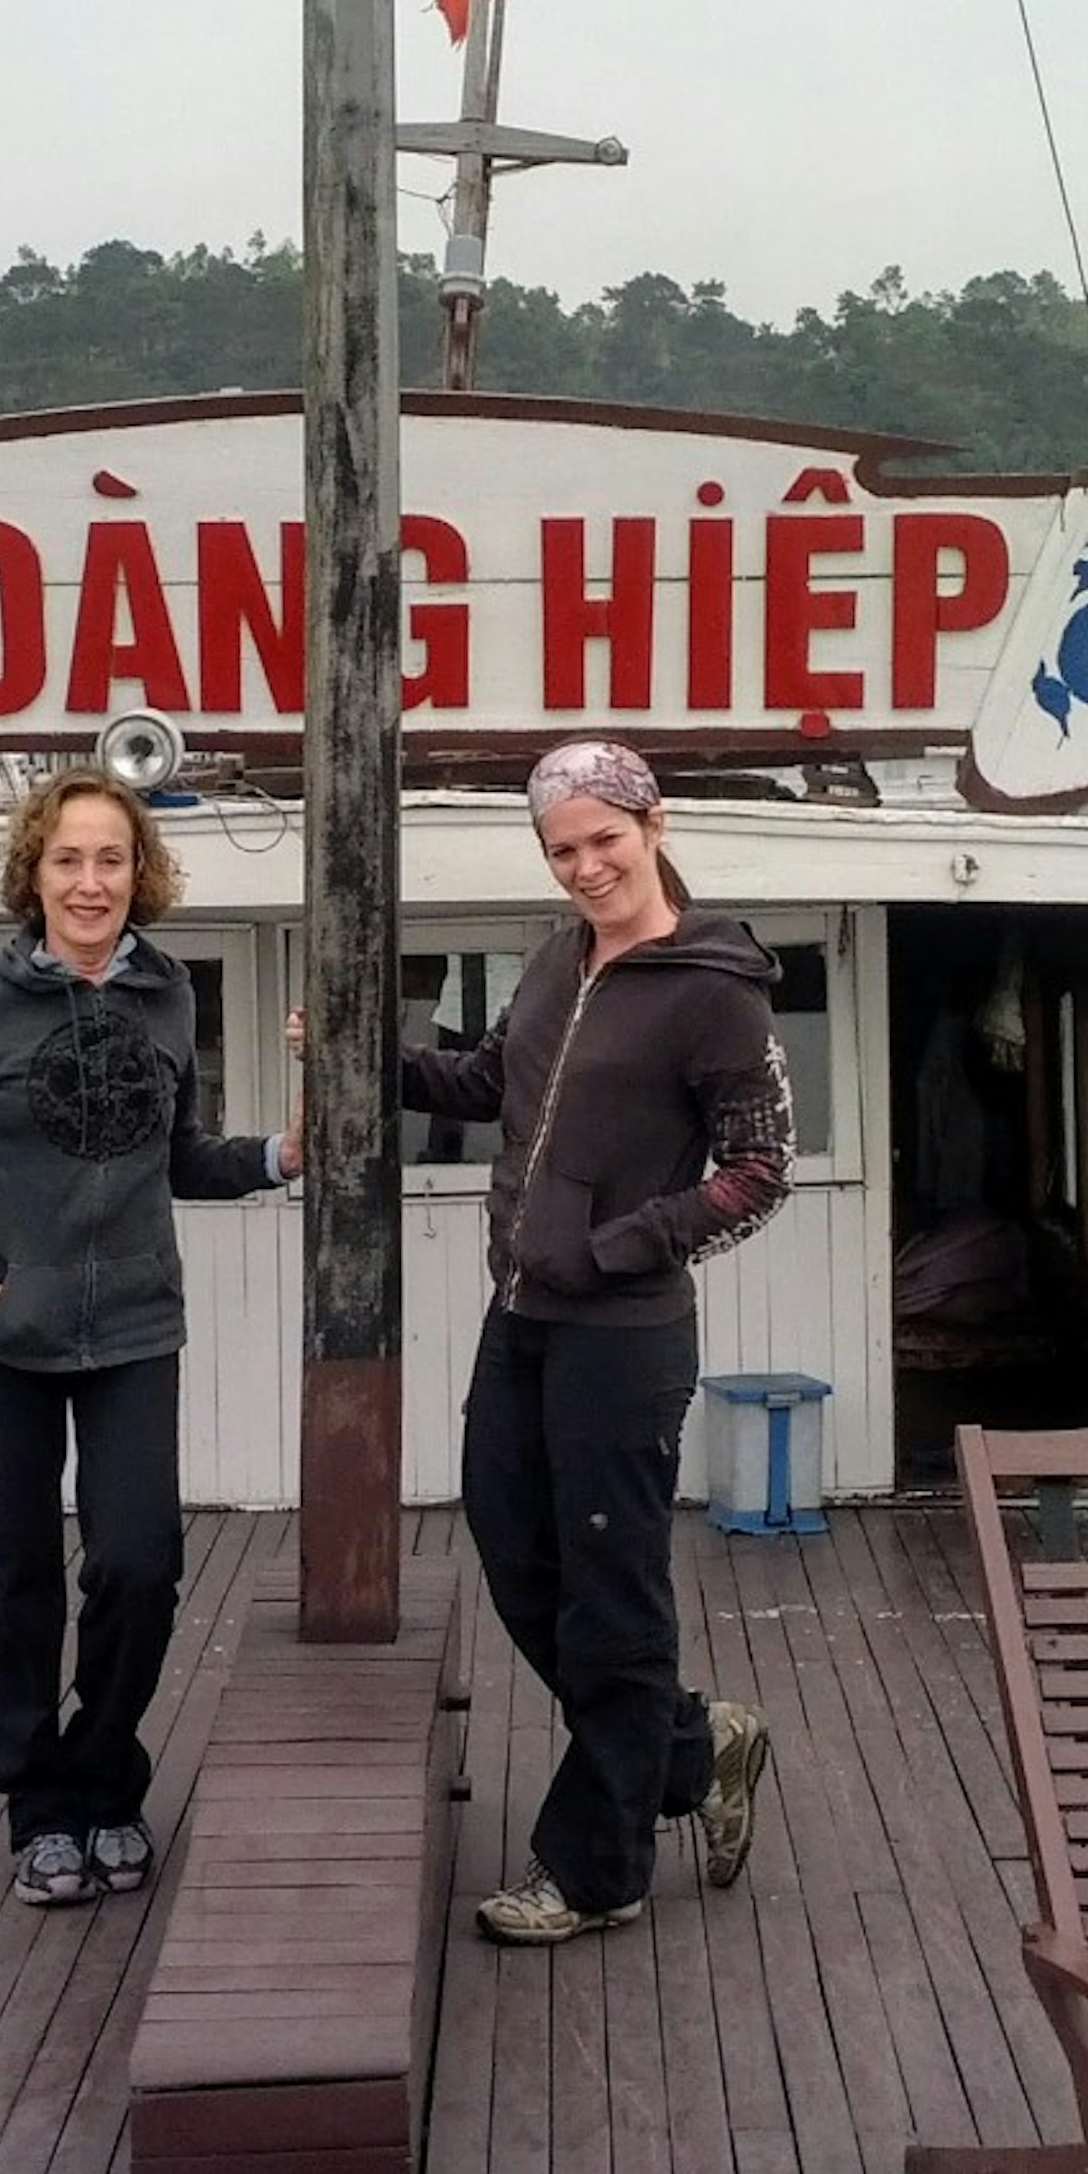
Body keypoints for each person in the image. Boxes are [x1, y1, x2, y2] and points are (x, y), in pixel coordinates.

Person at [0, 768, 299, 1908]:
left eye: (112, 859)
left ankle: (108, 1774)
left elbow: (180, 1156)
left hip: (134, 1332)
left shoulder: (169, 997)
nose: (91, 880)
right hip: (0, 1341)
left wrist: (276, 1160)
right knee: (17, 1578)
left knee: (138, 1568)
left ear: (139, 873)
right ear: (36, 871)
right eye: (69, 858)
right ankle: (40, 1807)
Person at [399, 738, 793, 1944]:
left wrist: (618, 1245)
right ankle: (695, 1743)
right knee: (516, 1552)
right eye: (561, 849)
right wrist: (381, 1059)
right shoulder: (555, 963)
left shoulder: (715, 988)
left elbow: (759, 1173)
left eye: (602, 840)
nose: (584, 866)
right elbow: (495, 1085)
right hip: (519, 1319)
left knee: (612, 1600)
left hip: (623, 1336)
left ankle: (597, 1871)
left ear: (654, 825)